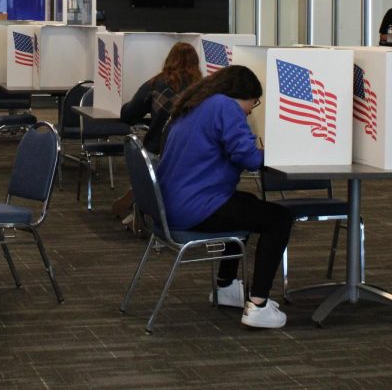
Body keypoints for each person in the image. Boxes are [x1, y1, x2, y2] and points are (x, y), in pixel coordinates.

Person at [154, 65, 292, 329]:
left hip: (170, 204)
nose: (251, 110)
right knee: (279, 218)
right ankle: (259, 306)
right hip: (194, 207)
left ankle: (226, 287)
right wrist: (273, 151)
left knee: (249, 206)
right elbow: (249, 159)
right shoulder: (225, 107)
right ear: (245, 94)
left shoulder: (196, 104)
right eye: (254, 102)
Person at [120, 41, 202, 154]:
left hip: (159, 151)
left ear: (169, 60)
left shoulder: (155, 84)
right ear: (196, 63)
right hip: (195, 152)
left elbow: (128, 115)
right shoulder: (203, 88)